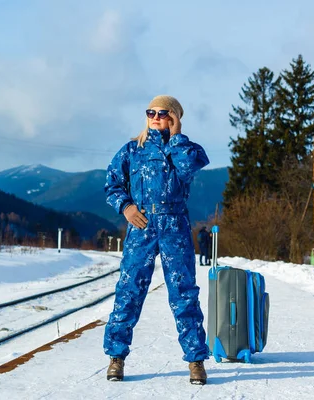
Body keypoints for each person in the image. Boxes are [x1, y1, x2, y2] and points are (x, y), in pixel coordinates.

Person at [103, 95, 210, 385]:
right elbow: (111, 183)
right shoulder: (132, 150)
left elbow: (190, 166)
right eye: (151, 112)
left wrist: (175, 136)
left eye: (163, 113)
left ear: (174, 116)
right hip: (142, 226)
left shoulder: (186, 150)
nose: (156, 117)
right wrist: (126, 207)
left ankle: (196, 361)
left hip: (175, 225)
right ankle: (116, 357)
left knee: (184, 293)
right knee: (129, 291)